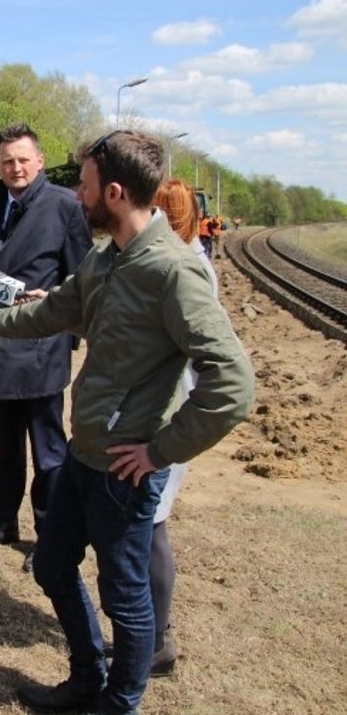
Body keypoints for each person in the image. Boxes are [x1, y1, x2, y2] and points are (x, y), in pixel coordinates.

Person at [0, 130, 254, 714]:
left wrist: (160, 450)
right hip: (83, 453)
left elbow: (233, 385)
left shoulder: (172, 272)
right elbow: (57, 309)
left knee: (125, 596)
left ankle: (121, 702)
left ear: (113, 193)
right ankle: (88, 677)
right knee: (51, 563)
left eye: (85, 185)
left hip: (126, 468)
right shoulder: (106, 257)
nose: (77, 193)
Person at [0, 123, 92, 573]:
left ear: (40, 160)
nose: (15, 168)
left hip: (42, 344)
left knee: (49, 452)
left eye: (22, 160)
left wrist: (64, 326)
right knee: (6, 448)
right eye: (6, 161)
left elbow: (82, 278)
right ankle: (2, 523)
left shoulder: (65, 205)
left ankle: (50, 536)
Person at [147, 178, 219, 676]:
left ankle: (156, 641)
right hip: (164, 413)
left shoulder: (186, 268)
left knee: (152, 530)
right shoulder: (179, 260)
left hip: (170, 418)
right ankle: (152, 633)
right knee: (150, 528)